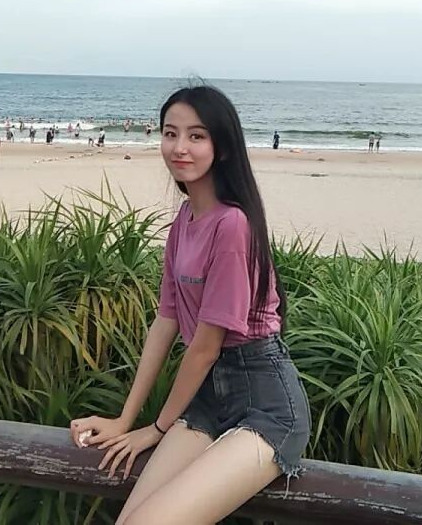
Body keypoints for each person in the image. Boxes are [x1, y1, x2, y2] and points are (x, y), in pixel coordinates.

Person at [69, 86, 310, 524]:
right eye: (170, 133)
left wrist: (157, 428)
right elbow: (165, 321)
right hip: (207, 400)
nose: (180, 147)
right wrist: (124, 420)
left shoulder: (233, 225)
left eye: (196, 136)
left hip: (266, 406)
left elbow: (204, 348)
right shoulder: (184, 220)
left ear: (222, 148)